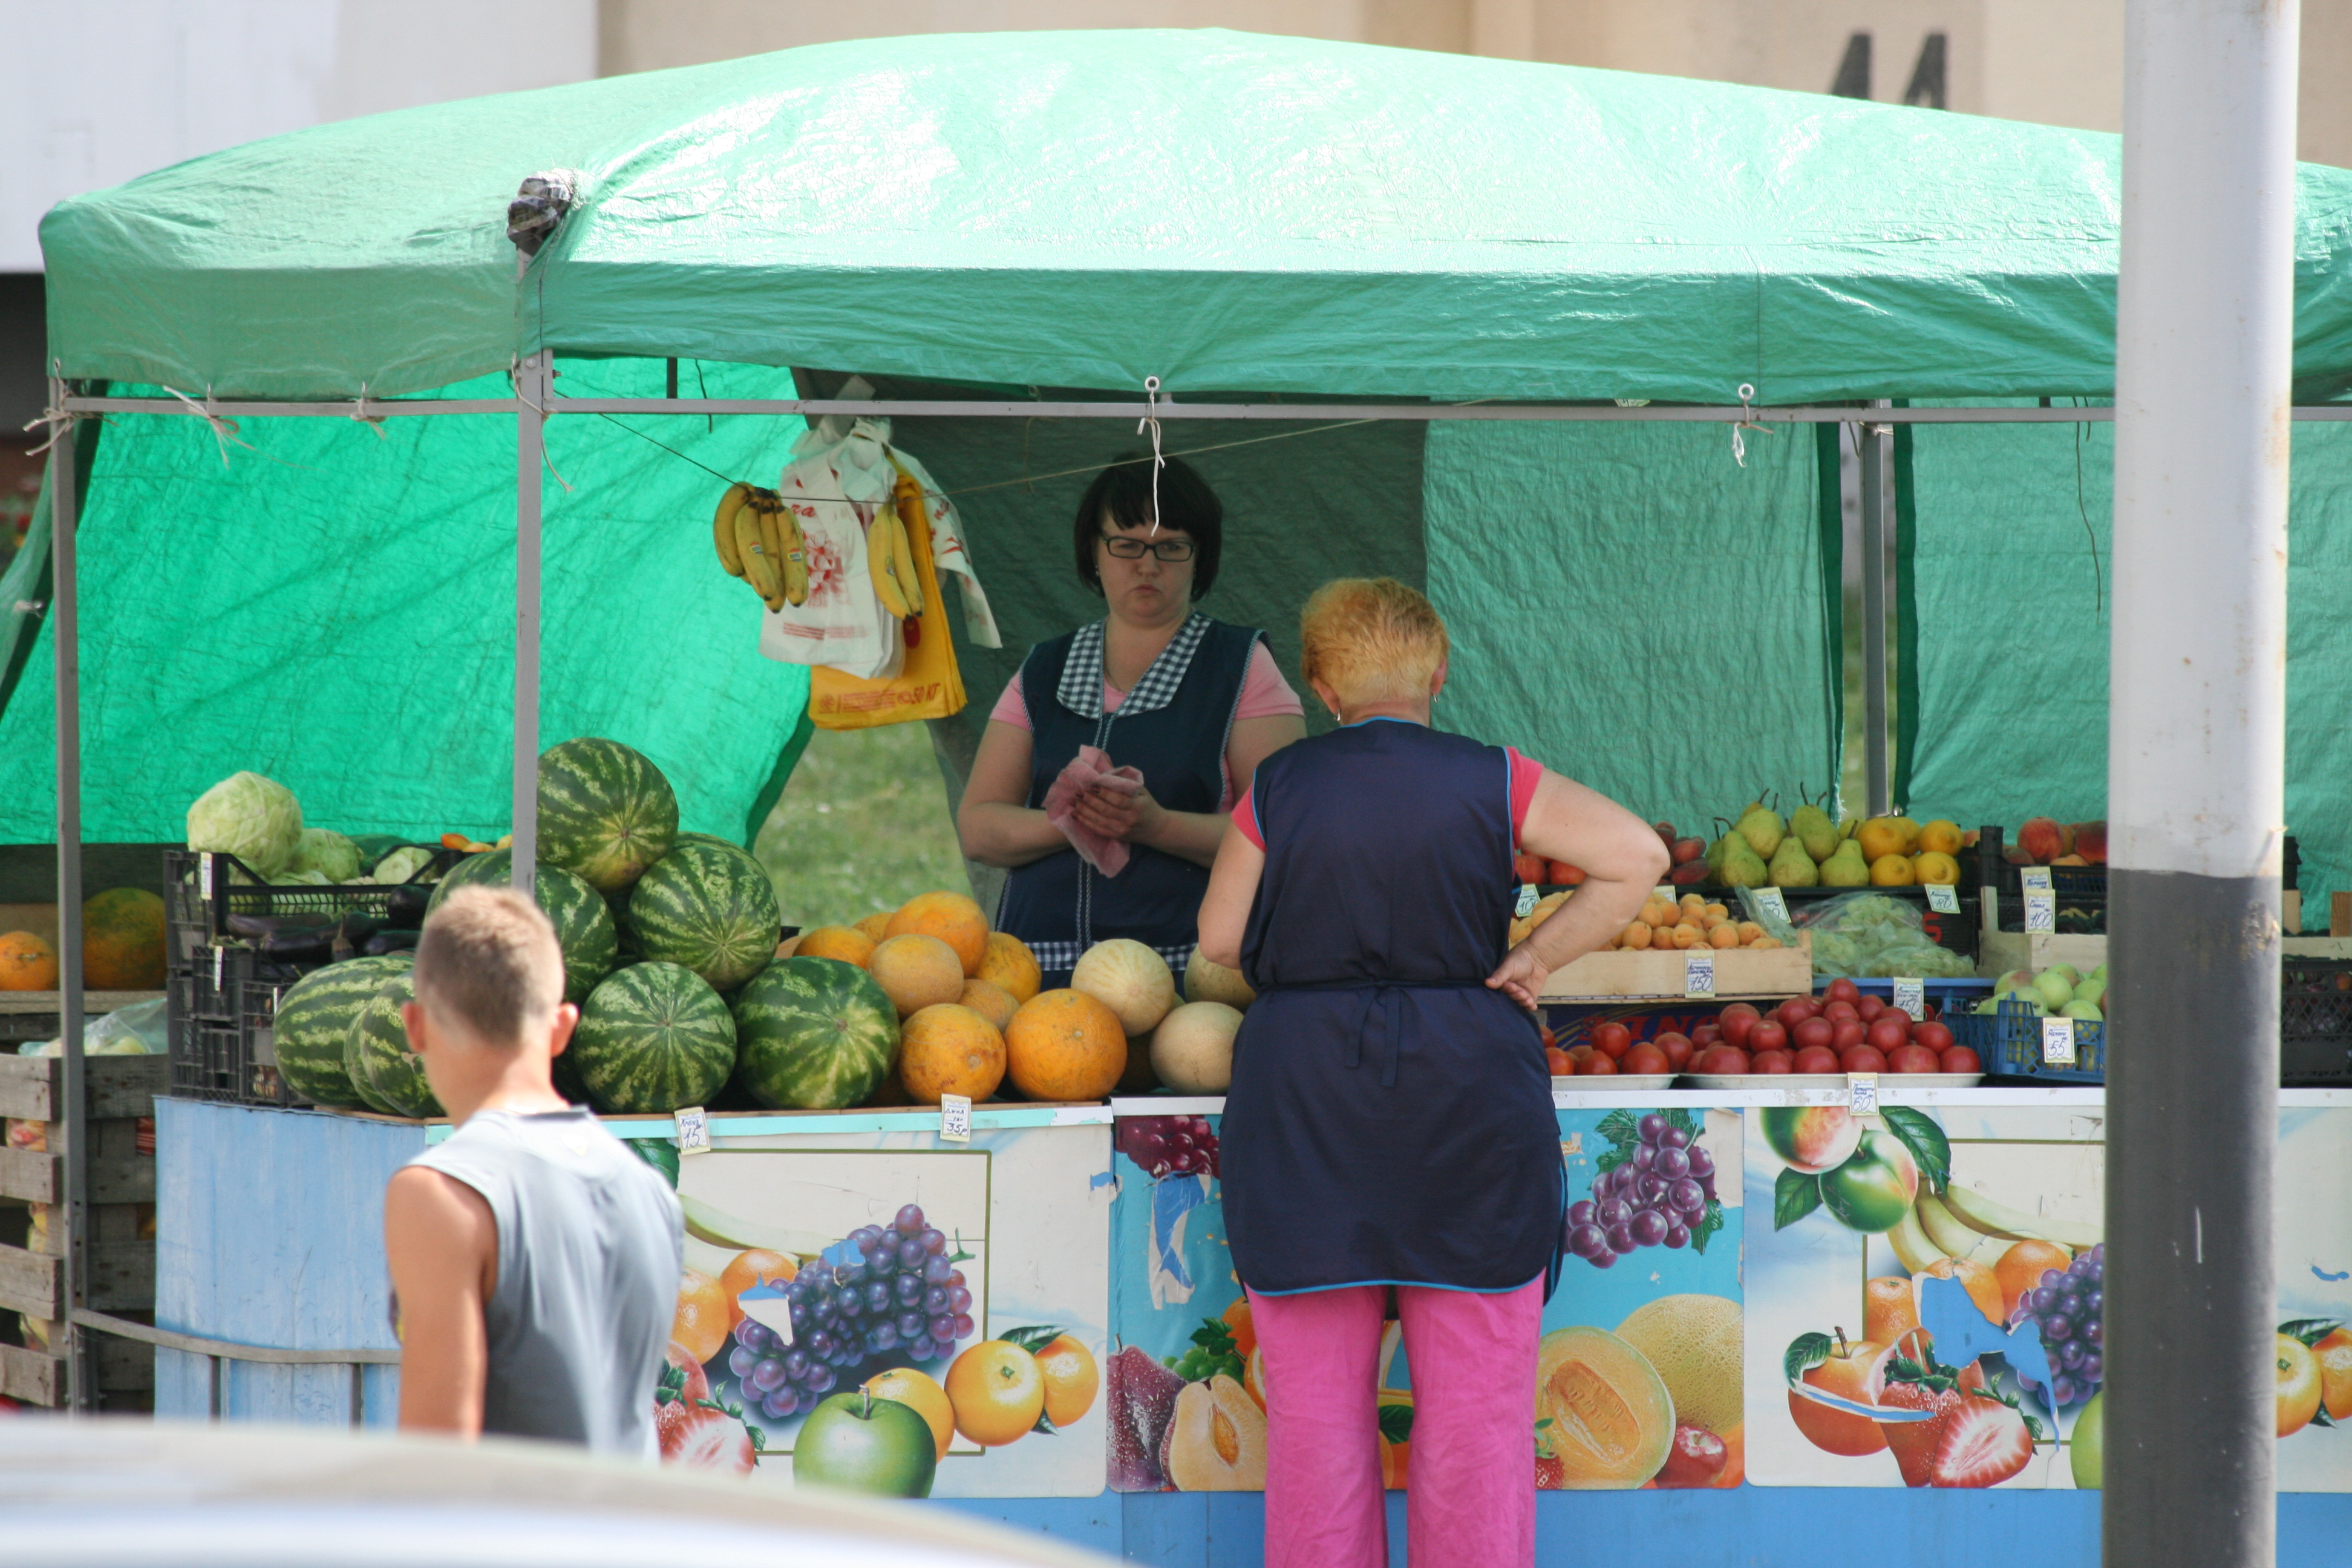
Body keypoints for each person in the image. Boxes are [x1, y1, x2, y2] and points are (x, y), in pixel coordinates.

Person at [1197, 578, 1668, 1568]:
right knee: (1477, 1419)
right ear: (1439, 673)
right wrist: (1536, 957)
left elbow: (1219, 938)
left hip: (1305, 1102)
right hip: (1468, 1098)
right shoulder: (1497, 777)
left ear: (1322, 688)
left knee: (1316, 1426)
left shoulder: (1276, 789)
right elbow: (1633, 855)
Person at [958, 453, 1305, 990]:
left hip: (1186, 978)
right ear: (1093, 552)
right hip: (1037, 976)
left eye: (1172, 547)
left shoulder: (1239, 666)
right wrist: (1073, 821)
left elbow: (1286, 834)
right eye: (1127, 544)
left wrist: (1156, 825)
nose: (1148, 565)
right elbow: (979, 828)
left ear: (1200, 558)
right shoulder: (1043, 669)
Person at [382, 887, 682, 1455]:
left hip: (512, 1541)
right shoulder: (649, 1190)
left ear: (415, 1027)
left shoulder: (442, 1194)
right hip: (637, 1537)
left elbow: (438, 1453)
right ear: (564, 1028)